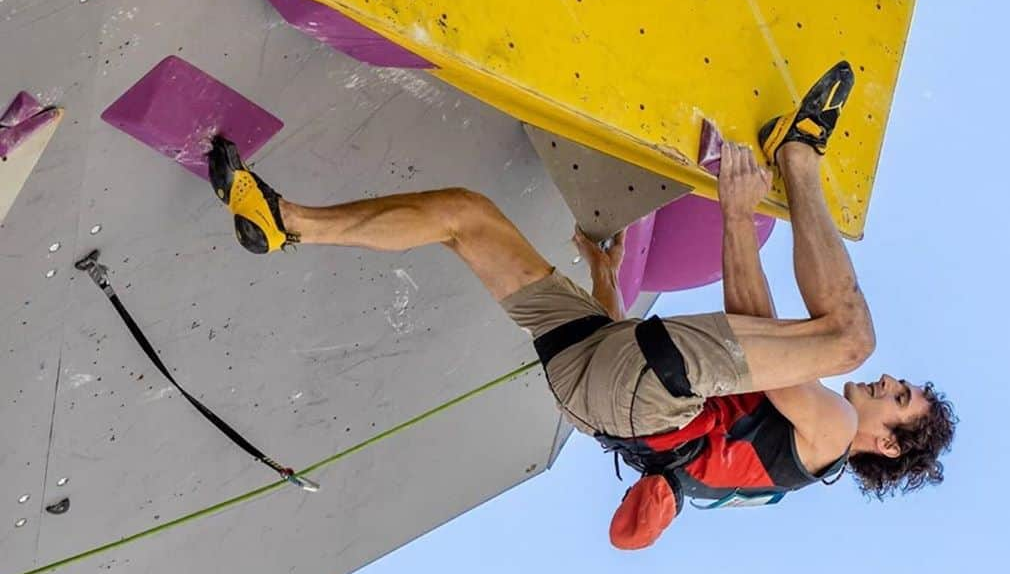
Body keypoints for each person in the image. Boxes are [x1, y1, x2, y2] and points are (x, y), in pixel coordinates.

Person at [208, 62, 956, 549]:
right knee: (468, 218)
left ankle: (799, 158)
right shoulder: (784, 455)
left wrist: (737, 215)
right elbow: (746, 346)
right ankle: (287, 223)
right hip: (591, 382)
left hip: (640, 388)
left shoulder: (826, 439)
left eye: (898, 402)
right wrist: (606, 288)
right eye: (902, 386)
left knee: (849, 337)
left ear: (886, 444)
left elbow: (750, 349)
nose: (889, 386)